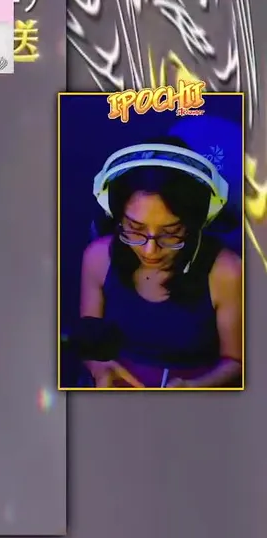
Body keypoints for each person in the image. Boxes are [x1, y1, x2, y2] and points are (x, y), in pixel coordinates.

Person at [78, 137, 243, 388]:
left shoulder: (226, 272)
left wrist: (194, 388)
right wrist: (100, 370)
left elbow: (236, 361)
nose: (150, 250)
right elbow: (89, 341)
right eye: (135, 229)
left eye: (171, 232)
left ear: (192, 223)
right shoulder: (97, 258)